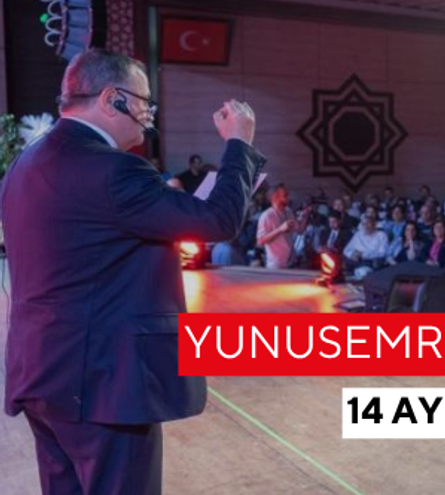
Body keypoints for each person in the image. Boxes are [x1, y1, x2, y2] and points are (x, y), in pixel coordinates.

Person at [1, 49, 262, 495]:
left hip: (42, 371)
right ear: (112, 99)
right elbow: (218, 220)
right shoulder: (113, 170)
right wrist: (240, 144)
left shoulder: (26, 162)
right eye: (143, 102)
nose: (148, 114)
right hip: (105, 382)